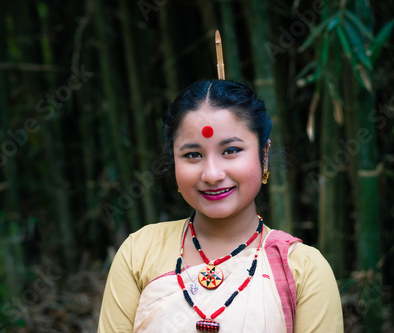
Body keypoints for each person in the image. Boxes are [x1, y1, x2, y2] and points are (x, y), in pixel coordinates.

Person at [97, 79, 343, 332]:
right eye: (193, 155)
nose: (212, 174)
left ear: (264, 155)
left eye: (231, 150)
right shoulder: (139, 252)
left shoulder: (303, 270)